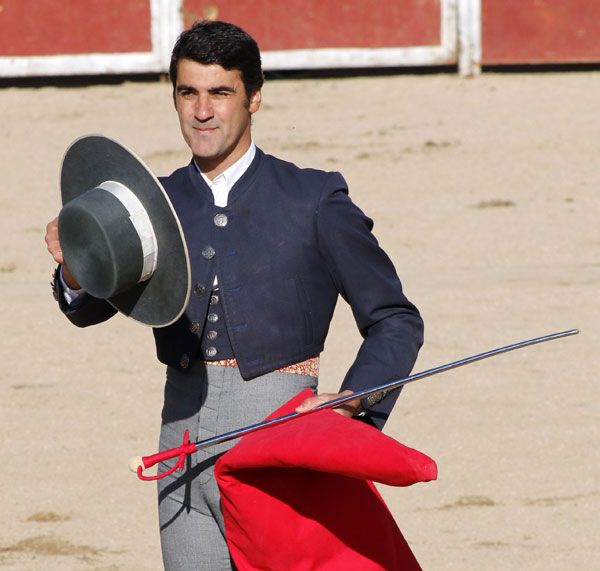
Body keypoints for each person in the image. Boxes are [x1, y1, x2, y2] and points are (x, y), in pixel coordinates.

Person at [45, 20, 424, 570]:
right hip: (181, 438)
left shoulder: (313, 199)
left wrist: (353, 403)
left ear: (255, 98)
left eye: (220, 93)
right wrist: (77, 269)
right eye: (188, 93)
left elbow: (394, 318)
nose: (202, 111)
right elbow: (88, 305)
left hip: (280, 434)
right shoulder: (156, 205)